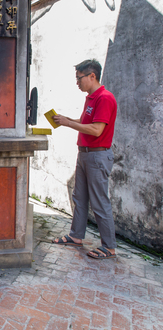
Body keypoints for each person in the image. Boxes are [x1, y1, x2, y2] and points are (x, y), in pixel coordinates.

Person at [51, 59, 117, 260]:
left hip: (97, 155)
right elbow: (86, 121)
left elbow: (97, 129)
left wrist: (68, 124)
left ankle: (109, 247)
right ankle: (76, 236)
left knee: (99, 201)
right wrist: (66, 119)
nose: (77, 83)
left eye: (79, 78)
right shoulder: (91, 98)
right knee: (79, 197)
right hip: (85, 153)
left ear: (92, 76)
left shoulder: (104, 98)